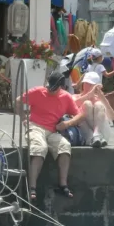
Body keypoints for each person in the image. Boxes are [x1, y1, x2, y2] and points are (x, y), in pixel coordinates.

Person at [19, 69, 85, 201]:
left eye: (53, 88)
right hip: (35, 127)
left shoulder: (66, 97)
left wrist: (67, 124)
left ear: (61, 87)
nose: (50, 90)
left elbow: (80, 115)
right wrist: (22, 118)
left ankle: (63, 184)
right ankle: (32, 187)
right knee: (40, 148)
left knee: (65, 146)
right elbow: (18, 100)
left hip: (53, 130)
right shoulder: (38, 91)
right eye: (49, 87)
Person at [74, 71, 113, 148]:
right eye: (86, 83)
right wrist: (89, 95)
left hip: (103, 132)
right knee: (87, 104)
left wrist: (102, 98)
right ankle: (96, 137)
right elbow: (73, 105)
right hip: (87, 133)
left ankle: (97, 134)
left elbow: (112, 117)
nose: (88, 86)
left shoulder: (100, 99)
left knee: (99, 104)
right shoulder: (75, 96)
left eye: (91, 84)